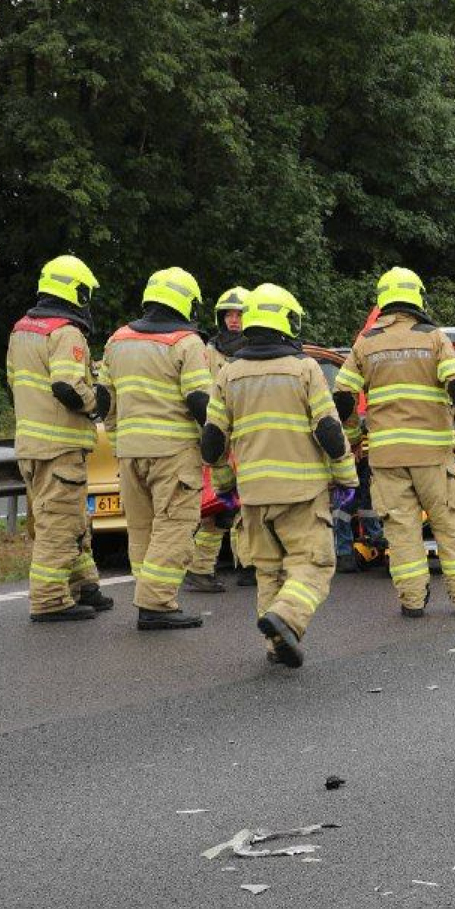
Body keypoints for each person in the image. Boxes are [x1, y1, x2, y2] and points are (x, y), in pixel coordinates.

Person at [203, 284, 358, 667]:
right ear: (286, 321)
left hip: (253, 494)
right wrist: (346, 477)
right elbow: (329, 430)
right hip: (302, 491)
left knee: (269, 570)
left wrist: (224, 485)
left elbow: (212, 439)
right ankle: (286, 618)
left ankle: (275, 645)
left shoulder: (230, 372)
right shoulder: (304, 369)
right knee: (314, 565)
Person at [333, 268, 455, 617]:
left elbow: (342, 397)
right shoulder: (433, 338)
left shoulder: (366, 342)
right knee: (449, 526)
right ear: (417, 297)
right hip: (431, 453)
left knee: (401, 533)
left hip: (387, 457)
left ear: (382, 300)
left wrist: (355, 437)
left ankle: (412, 603)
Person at [104, 267, 211, 630]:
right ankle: (157, 604)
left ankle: (149, 595)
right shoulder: (186, 343)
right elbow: (200, 402)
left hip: (130, 451)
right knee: (175, 525)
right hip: (173, 452)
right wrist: (216, 442)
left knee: (141, 528)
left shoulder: (117, 340)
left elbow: (107, 401)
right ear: (186, 301)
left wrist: (119, 443)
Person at [7, 255, 111, 623]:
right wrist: (96, 404)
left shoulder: (22, 329)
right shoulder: (66, 332)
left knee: (69, 519)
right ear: (76, 290)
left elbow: (13, 382)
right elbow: (67, 384)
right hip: (60, 445)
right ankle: (50, 599)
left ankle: (85, 585)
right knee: (59, 524)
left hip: (30, 445)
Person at [186, 286, 249, 592]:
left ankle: (248, 566)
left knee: (246, 505)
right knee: (221, 505)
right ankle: (200, 568)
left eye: (239, 315)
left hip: (247, 437)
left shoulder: (255, 348)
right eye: (229, 315)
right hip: (219, 436)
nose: (233, 320)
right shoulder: (208, 351)